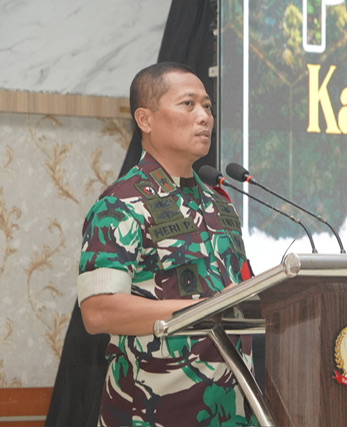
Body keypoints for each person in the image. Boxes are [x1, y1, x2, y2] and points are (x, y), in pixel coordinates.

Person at [78, 62, 257, 426]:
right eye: (188, 104)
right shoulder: (119, 204)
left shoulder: (220, 205)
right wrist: (204, 311)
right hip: (153, 412)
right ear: (145, 119)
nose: (204, 117)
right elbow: (98, 311)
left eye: (207, 106)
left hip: (233, 410)